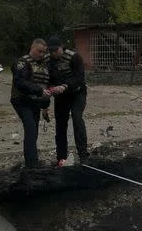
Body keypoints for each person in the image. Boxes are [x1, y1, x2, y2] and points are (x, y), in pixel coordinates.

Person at [46, 36, 88, 166]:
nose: (53, 54)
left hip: (76, 93)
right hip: (61, 96)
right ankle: (61, 158)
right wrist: (50, 91)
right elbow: (47, 79)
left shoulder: (74, 57)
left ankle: (83, 155)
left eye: (55, 50)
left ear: (61, 47)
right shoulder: (48, 60)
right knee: (60, 125)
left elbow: (79, 78)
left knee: (77, 119)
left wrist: (65, 86)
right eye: (51, 51)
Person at [11, 39, 52, 168]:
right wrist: (40, 91)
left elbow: (45, 85)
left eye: (43, 52)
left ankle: (32, 160)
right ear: (32, 48)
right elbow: (20, 83)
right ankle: (31, 164)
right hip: (22, 100)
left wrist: (45, 106)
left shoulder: (44, 65)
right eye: (39, 51)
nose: (41, 54)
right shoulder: (23, 63)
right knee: (30, 129)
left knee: (33, 131)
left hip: (36, 101)